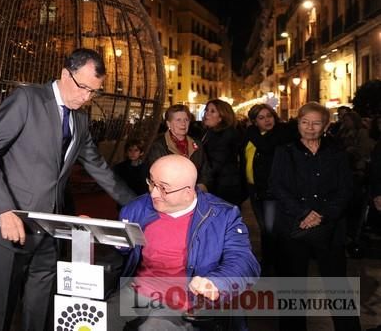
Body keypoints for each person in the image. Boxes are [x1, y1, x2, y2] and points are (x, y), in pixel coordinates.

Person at [0, 48, 136, 331]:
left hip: (50, 230)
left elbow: (100, 169)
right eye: (83, 87)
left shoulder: (80, 121)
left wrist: (140, 206)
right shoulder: (27, 100)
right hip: (8, 225)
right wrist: (2, 209)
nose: (86, 97)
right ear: (64, 74)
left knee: (40, 310)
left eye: (93, 92)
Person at [109, 155, 260, 330]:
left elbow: (244, 261)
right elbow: (126, 251)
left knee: (153, 328)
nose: (153, 193)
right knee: (95, 319)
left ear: (188, 191)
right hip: (138, 290)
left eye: (164, 188)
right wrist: (95, 232)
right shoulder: (136, 208)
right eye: (151, 182)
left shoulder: (222, 216)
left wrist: (217, 282)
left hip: (184, 299)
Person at [270, 102, 360, 331]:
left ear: (326, 126)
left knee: (338, 286)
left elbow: (346, 189)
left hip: (330, 228)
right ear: (297, 123)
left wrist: (323, 215)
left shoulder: (336, 153)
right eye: (304, 122)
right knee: (292, 289)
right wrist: (304, 213)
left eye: (316, 123)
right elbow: (277, 187)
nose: (309, 127)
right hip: (294, 226)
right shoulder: (285, 151)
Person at [241, 103, 293, 272]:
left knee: (270, 229)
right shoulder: (252, 135)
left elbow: (266, 146)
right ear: (255, 121)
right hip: (254, 189)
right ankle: (269, 262)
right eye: (261, 118)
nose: (267, 120)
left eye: (269, 116)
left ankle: (273, 264)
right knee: (264, 227)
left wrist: (251, 132)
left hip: (271, 190)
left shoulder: (279, 134)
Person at [145, 104, 211, 191]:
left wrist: (201, 186)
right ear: (169, 123)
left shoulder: (196, 144)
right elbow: (158, 175)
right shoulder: (158, 146)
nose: (183, 123)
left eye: (186, 120)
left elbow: (205, 171)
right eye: (178, 120)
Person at [202, 99, 244, 205]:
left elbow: (217, 161)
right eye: (207, 110)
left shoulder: (225, 134)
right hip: (219, 184)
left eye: (212, 111)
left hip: (224, 187)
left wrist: (202, 179)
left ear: (221, 117)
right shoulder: (211, 132)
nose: (207, 114)